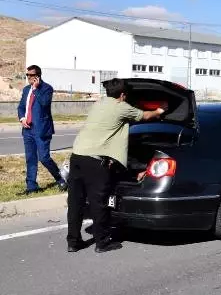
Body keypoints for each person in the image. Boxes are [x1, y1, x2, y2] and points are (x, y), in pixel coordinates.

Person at [66, 78, 166, 253]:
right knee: (99, 203)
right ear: (122, 95)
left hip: (76, 157)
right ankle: (102, 242)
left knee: (76, 202)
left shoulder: (99, 103)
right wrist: (160, 110)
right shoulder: (121, 106)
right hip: (94, 161)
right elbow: (146, 115)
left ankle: (73, 242)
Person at [17, 65, 66, 195]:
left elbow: (44, 103)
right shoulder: (26, 89)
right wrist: (22, 118)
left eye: (30, 75)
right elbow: (21, 107)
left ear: (37, 76)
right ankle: (31, 186)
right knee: (30, 158)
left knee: (44, 158)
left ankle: (60, 178)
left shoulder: (47, 88)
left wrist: (36, 89)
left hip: (41, 129)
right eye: (27, 75)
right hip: (27, 130)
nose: (28, 78)